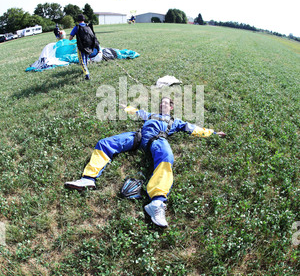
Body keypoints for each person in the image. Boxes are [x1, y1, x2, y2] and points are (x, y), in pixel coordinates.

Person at [64, 97, 226, 227]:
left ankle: (157, 202)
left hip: (158, 140)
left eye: (166, 103)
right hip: (138, 136)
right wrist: (124, 107)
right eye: (161, 102)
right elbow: (135, 112)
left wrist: (213, 134)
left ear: (171, 108)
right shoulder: (150, 115)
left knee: (166, 158)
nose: (162, 104)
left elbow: (194, 129)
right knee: (105, 143)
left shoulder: (176, 122)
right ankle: (88, 179)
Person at [69, 14, 98, 80]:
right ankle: (84, 70)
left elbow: (70, 38)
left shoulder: (77, 27)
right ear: (83, 20)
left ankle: (87, 74)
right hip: (89, 46)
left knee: (82, 61)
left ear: (78, 20)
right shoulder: (88, 26)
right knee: (85, 59)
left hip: (81, 47)